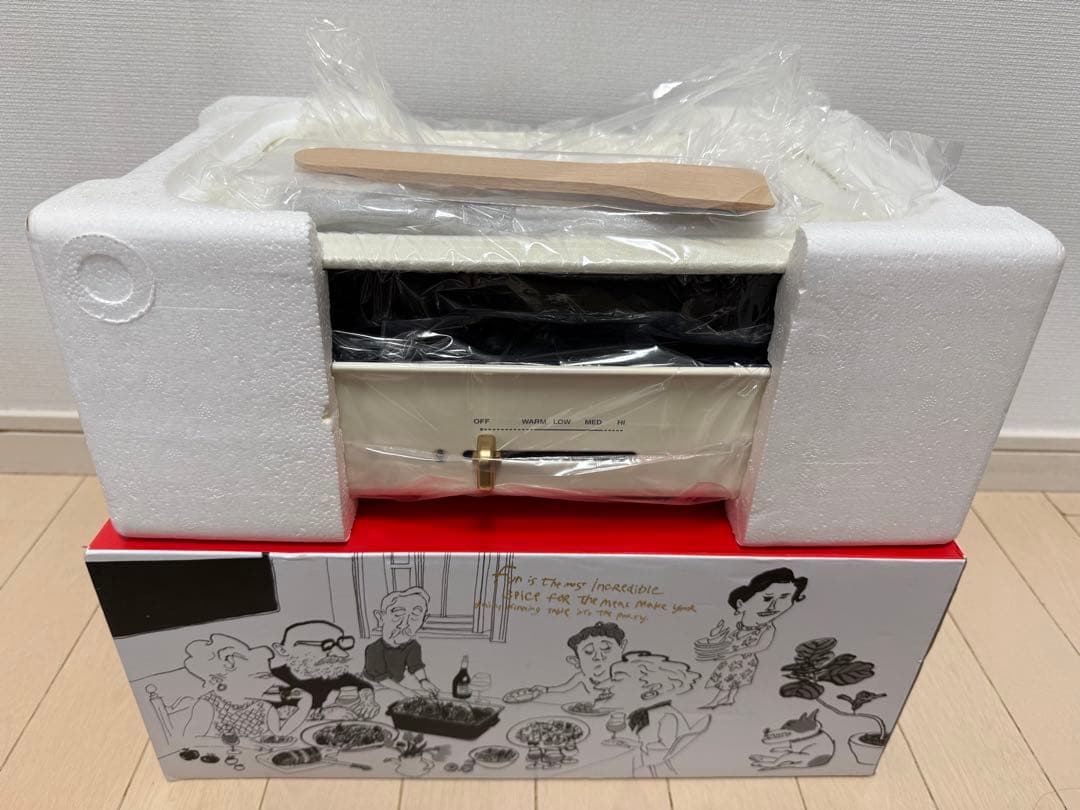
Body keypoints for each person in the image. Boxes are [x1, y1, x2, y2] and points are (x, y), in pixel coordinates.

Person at [695, 567, 808, 709]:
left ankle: (717, 700)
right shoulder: (736, 624)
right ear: (741, 604)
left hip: (744, 660)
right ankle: (729, 698)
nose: (773, 607)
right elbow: (718, 637)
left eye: (784, 598)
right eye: (767, 598)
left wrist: (734, 653)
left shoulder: (767, 628)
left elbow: (761, 646)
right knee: (732, 680)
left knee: (728, 680)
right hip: (732, 658)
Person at [181, 633, 312, 739]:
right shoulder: (208, 704)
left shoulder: (263, 706)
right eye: (262, 677)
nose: (281, 684)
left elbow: (281, 733)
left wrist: (305, 704)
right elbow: (189, 742)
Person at [607, 650, 703, 776]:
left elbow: (665, 747)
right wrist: (628, 742)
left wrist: (636, 745)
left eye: (621, 683)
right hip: (647, 760)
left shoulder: (667, 716)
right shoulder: (647, 712)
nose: (612, 689)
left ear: (651, 692)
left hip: (655, 764)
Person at [270, 620, 378, 720]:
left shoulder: (328, 672)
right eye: (326, 646)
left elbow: (363, 686)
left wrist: (368, 701)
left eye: (340, 644)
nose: (342, 654)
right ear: (282, 650)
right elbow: (273, 712)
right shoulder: (272, 678)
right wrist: (322, 713)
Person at [363, 588, 439, 697]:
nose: (404, 624)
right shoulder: (373, 649)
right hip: (372, 686)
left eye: (415, 616)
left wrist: (424, 680)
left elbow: (416, 665)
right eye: (397, 615)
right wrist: (405, 691)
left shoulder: (413, 646)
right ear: (381, 617)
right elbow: (381, 678)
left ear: (423, 620)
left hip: (396, 685)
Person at [530, 622, 628, 701]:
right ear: (576, 661)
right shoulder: (583, 677)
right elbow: (564, 687)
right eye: (588, 652)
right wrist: (546, 689)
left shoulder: (625, 675)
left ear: (622, 647)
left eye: (606, 648)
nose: (598, 657)